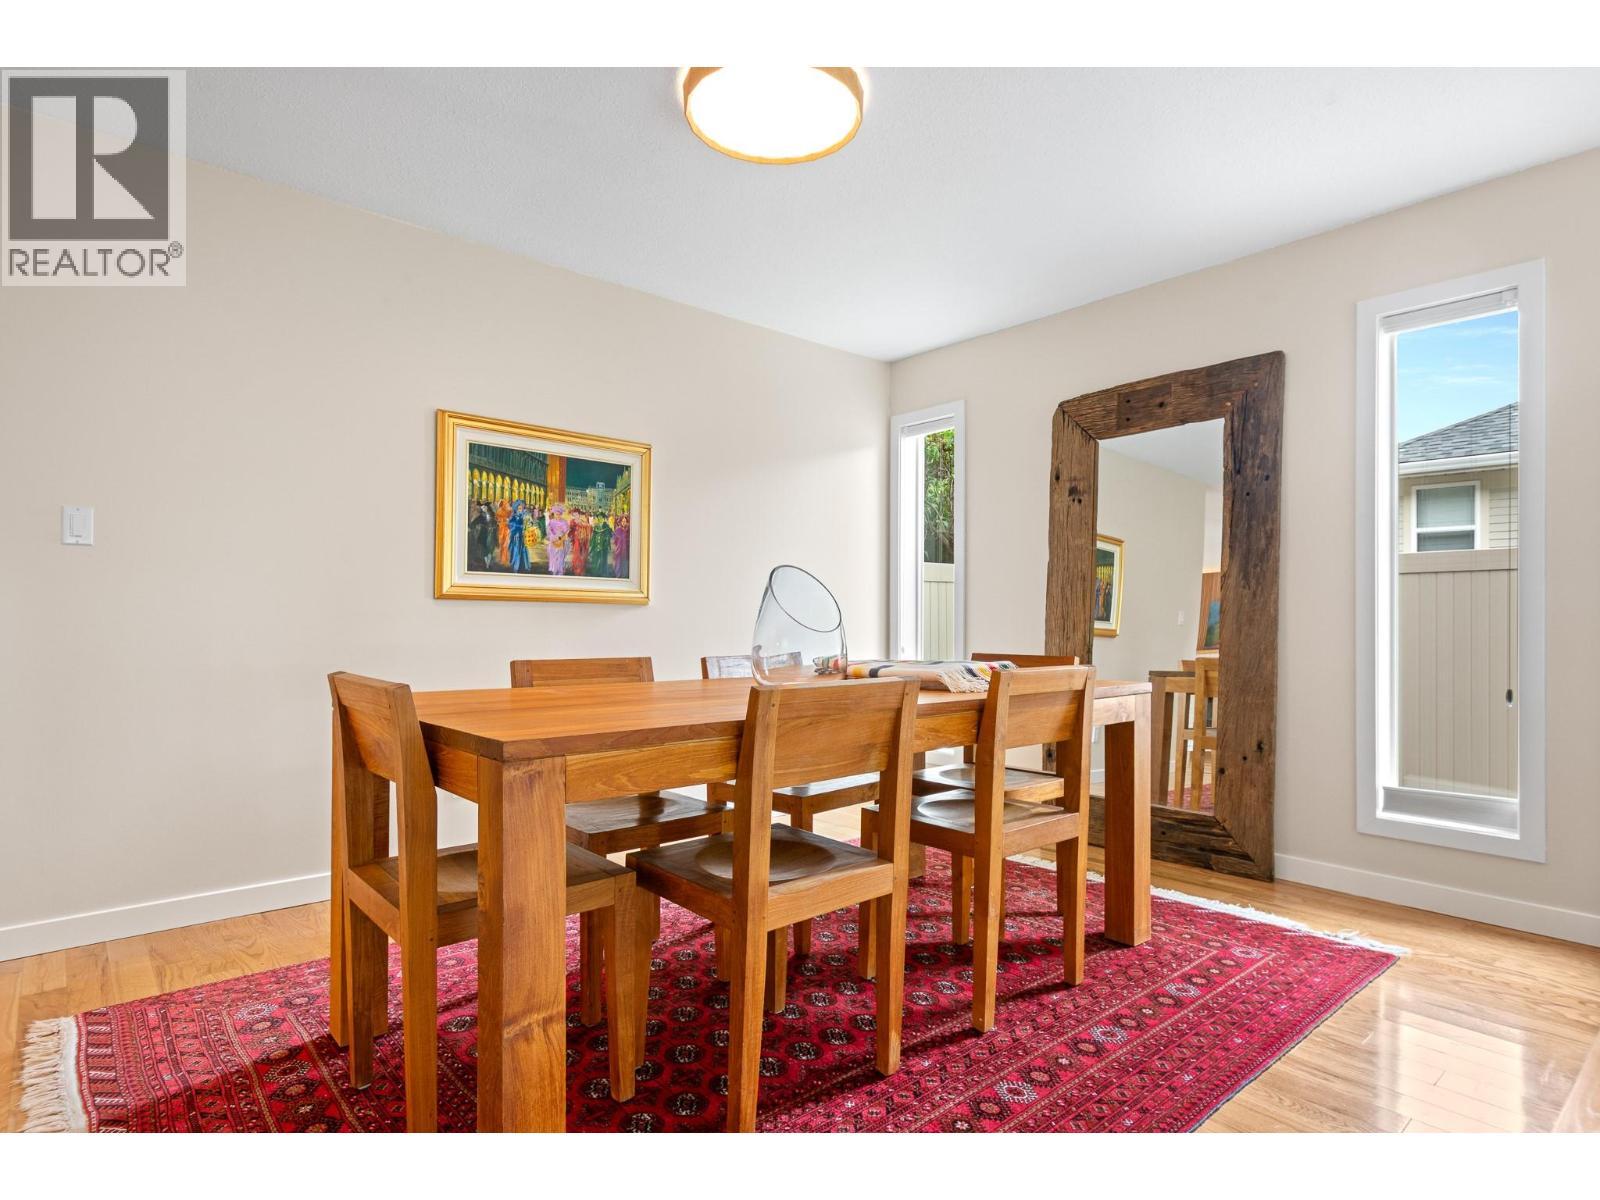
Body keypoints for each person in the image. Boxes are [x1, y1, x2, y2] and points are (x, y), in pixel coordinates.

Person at [545, 504, 570, 575]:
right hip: (553, 540)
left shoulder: (564, 522)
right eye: (556, 514)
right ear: (554, 514)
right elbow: (549, 530)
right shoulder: (551, 521)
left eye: (559, 514)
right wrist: (552, 535)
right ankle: (553, 569)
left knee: (560, 556)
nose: (558, 516)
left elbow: (566, 531)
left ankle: (560, 569)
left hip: (560, 541)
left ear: (561, 514)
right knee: (553, 555)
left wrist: (561, 536)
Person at [508, 500, 529, 572]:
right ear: (516, 509)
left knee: (523, 550)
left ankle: (523, 565)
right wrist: (519, 526)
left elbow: (528, 524)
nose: (520, 510)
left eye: (521, 508)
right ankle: (516, 565)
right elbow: (511, 525)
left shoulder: (524, 516)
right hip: (516, 536)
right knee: (516, 550)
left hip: (522, 536)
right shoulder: (514, 516)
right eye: (519, 508)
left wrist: (526, 526)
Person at [589, 512, 612, 577]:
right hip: (596, 545)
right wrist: (592, 543)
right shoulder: (596, 526)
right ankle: (595, 572)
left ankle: (603, 572)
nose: (600, 519)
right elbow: (593, 536)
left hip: (604, 546)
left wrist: (606, 540)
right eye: (598, 518)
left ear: (604, 518)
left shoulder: (606, 526)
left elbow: (609, 535)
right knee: (595, 559)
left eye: (601, 518)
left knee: (603, 559)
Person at [571, 510, 592, 576]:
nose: (575, 516)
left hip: (583, 542)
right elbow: (570, 531)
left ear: (579, 515)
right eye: (574, 515)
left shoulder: (583, 522)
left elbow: (589, 528)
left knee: (582, 556)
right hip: (576, 542)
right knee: (576, 556)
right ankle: (576, 570)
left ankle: (581, 570)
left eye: (576, 515)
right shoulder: (572, 522)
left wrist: (585, 526)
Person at [494, 497, 512, 568]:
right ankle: (503, 559)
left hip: (505, 529)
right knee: (503, 544)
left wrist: (506, 520)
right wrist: (503, 520)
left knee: (504, 545)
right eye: (505, 504)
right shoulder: (500, 511)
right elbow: (497, 519)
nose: (505, 505)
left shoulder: (506, 510)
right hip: (502, 529)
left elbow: (510, 515)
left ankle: (504, 559)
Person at [611, 513, 629, 579]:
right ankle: (618, 575)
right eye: (623, 521)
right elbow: (614, 540)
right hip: (619, 549)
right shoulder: (617, 530)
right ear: (620, 522)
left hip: (626, 550)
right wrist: (616, 547)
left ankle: (624, 575)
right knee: (618, 563)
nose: (624, 523)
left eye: (625, 521)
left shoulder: (628, 531)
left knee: (624, 562)